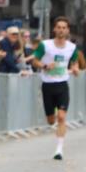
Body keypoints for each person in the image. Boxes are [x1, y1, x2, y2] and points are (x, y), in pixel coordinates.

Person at [32, 16, 81, 160]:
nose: (61, 30)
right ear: (54, 29)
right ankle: (52, 119)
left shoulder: (72, 47)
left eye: (64, 28)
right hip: (47, 85)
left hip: (62, 85)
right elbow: (35, 61)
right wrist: (45, 66)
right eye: (58, 27)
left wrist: (76, 68)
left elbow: (74, 62)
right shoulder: (45, 45)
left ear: (67, 30)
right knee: (51, 120)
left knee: (61, 117)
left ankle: (59, 150)